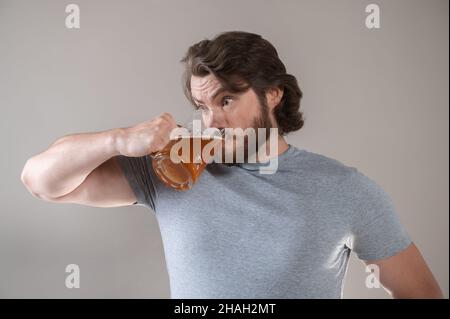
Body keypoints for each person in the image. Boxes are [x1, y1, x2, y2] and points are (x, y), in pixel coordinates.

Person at [21, 31, 443, 299]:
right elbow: (41, 181)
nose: (213, 121)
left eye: (227, 100)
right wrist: (118, 139)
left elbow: (421, 292)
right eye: (202, 106)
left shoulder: (345, 189)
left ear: (273, 94)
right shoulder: (175, 169)